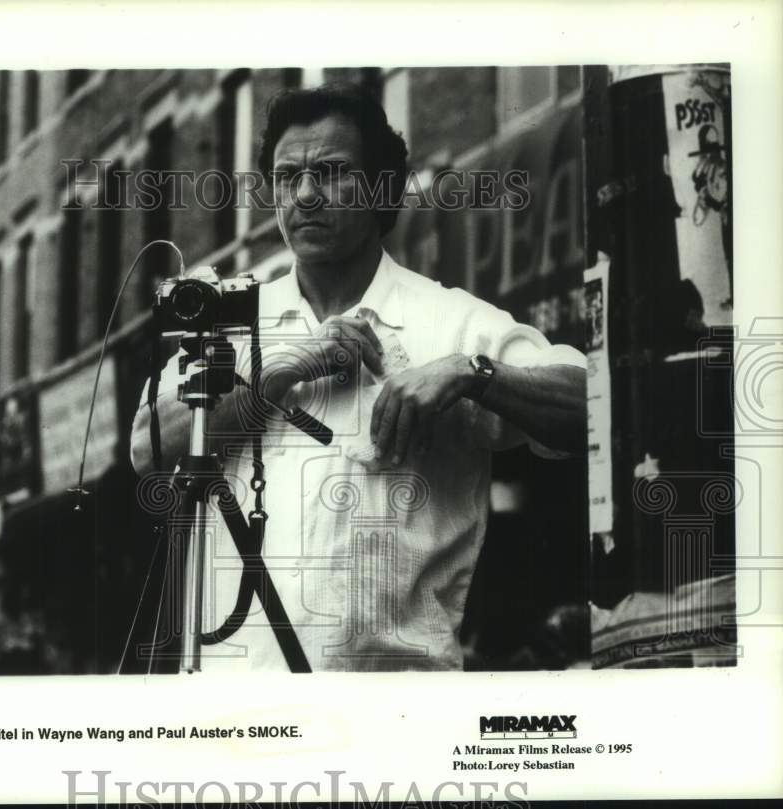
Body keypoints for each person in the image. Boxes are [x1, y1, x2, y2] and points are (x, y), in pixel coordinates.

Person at [130, 83, 587, 672]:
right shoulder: (229, 323)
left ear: (384, 188)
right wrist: (270, 378)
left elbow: (596, 405)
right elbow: (147, 448)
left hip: (393, 710)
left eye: (333, 172)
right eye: (288, 175)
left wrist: (472, 374)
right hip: (233, 707)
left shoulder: (448, 323)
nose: (306, 194)